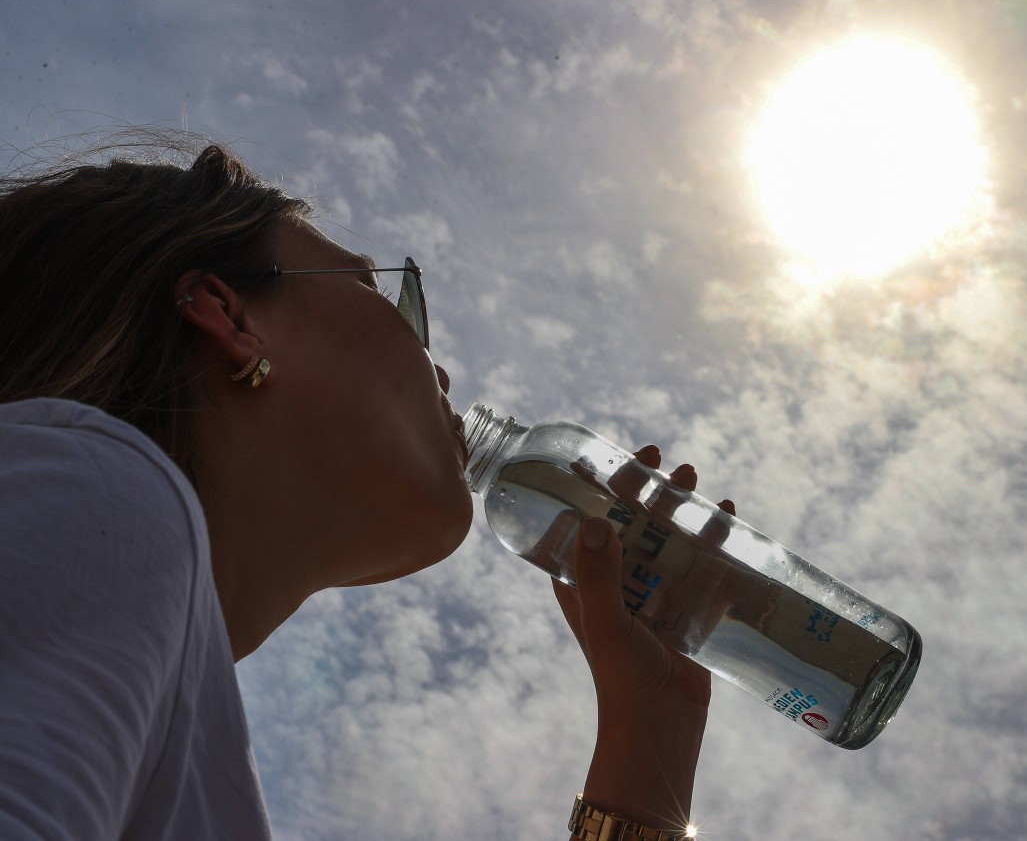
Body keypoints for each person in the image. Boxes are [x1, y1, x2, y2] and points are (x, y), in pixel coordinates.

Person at [0, 136, 730, 839]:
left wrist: (652, 736)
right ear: (229, 316)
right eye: (379, 291)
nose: (439, 372)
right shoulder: (99, 491)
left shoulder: (180, 723)